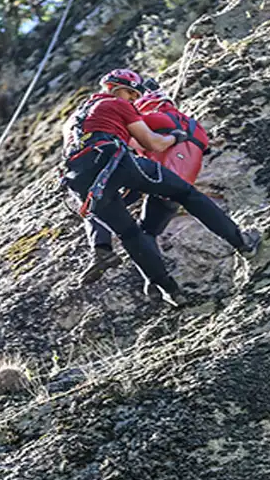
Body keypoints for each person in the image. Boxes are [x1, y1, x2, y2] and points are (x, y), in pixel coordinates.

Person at [62, 68, 258, 306]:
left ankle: (170, 292)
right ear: (116, 88)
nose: (133, 100)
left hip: (79, 180)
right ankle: (242, 243)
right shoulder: (117, 104)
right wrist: (175, 138)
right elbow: (152, 143)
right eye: (131, 93)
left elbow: (122, 139)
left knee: (129, 233)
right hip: (114, 161)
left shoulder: (72, 121)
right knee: (185, 193)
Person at [81, 78, 211, 283]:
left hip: (154, 177)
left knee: (98, 208)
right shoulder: (194, 127)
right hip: (179, 186)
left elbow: (141, 142)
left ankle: (111, 255)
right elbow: (205, 148)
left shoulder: (150, 118)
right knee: (149, 230)